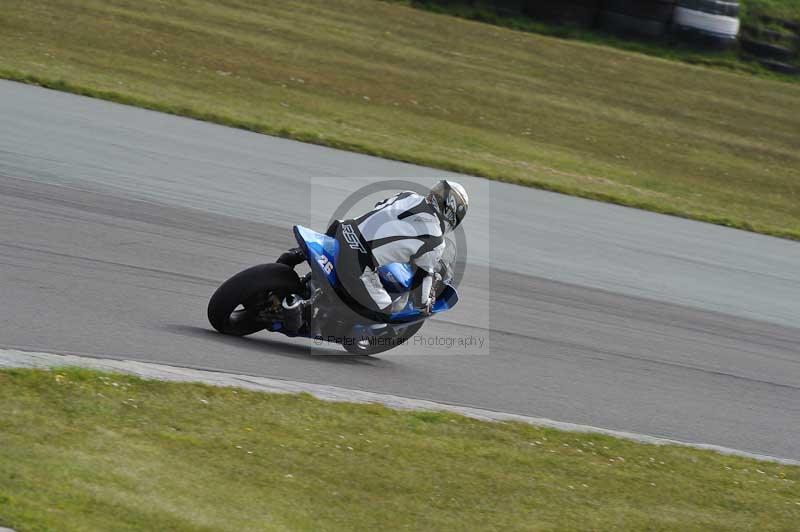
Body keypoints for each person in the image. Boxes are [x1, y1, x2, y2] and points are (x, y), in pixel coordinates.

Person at [279, 180, 468, 325]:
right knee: (384, 311)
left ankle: (296, 254)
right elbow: (423, 279)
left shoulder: (408, 196)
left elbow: (381, 205)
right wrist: (425, 304)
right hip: (356, 260)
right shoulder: (435, 240)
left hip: (341, 229)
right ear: (453, 213)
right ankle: (304, 311)